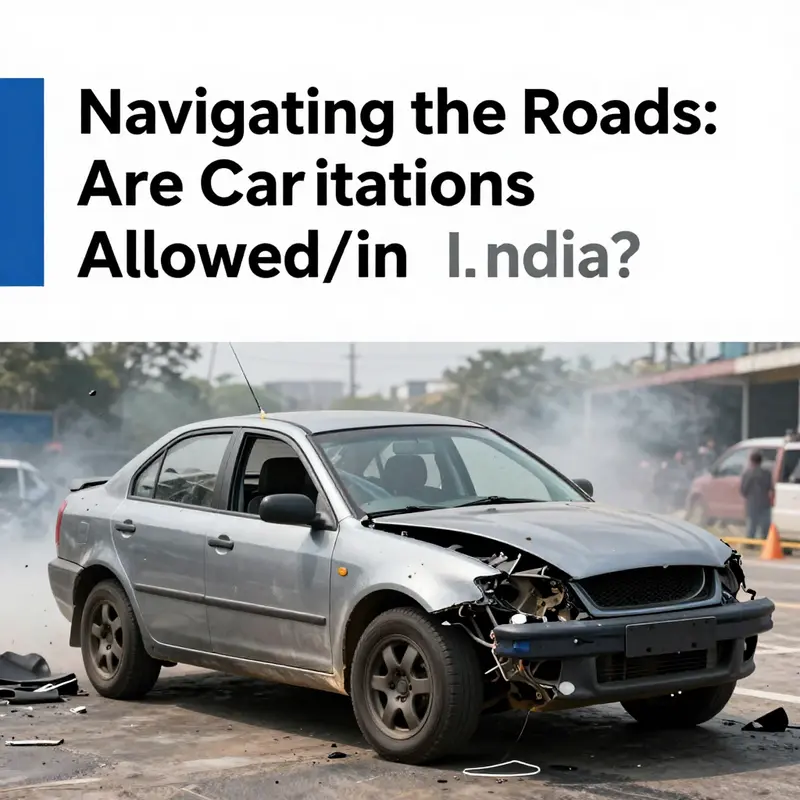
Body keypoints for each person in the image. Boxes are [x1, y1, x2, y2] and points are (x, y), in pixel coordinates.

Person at [740, 450, 774, 540]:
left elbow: (743, 490)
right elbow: (770, 487)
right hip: (765, 502)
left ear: (751, 461)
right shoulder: (767, 473)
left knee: (751, 524)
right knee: (765, 526)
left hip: (752, 503)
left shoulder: (747, 473)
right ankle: (764, 541)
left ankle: (750, 543)